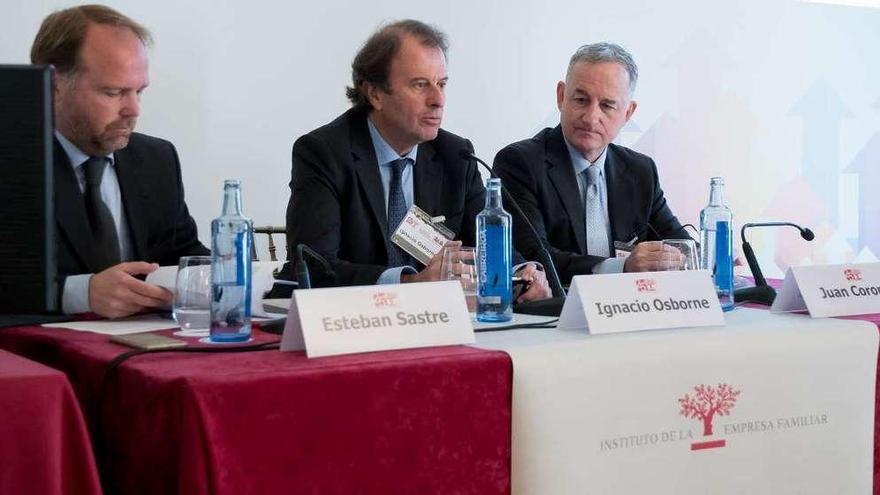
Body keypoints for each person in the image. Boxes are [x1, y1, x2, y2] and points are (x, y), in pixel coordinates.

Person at [285, 19, 550, 301]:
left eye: (442, 84)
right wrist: (409, 282)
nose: (438, 99)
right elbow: (312, 267)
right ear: (375, 93)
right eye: (420, 84)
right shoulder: (324, 153)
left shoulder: (456, 155)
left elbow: (486, 241)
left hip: (440, 320)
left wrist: (522, 273)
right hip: (352, 323)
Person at [31, 5, 208, 318]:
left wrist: (224, 274)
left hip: (149, 347)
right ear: (54, 85)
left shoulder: (157, 160)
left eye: (139, 91)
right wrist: (81, 294)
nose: (134, 109)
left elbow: (183, 256)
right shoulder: (12, 164)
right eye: (114, 92)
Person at [493, 42, 689, 284]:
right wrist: (621, 267)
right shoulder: (520, 163)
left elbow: (679, 244)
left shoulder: (640, 171)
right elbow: (535, 259)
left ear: (628, 113)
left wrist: (709, 258)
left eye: (607, 105)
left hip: (634, 311)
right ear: (561, 96)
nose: (591, 117)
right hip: (558, 315)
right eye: (581, 100)